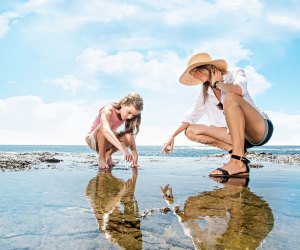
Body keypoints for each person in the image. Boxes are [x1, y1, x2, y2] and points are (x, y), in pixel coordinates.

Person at [161, 52, 273, 177]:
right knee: (190, 131)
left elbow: (239, 90)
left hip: (258, 130)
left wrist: (217, 84)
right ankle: (237, 152)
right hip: (236, 138)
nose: (194, 75)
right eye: (192, 73)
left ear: (208, 67)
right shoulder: (204, 93)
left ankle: (237, 161)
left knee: (230, 97)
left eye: (195, 70)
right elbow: (190, 116)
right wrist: (172, 136)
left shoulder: (235, 73)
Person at [86, 93, 143, 169]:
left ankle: (108, 154)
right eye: (129, 112)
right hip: (93, 140)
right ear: (123, 103)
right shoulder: (108, 109)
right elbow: (105, 129)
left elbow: (131, 139)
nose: (130, 117)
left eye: (133, 115)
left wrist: (135, 158)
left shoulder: (126, 117)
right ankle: (102, 158)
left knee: (129, 136)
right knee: (103, 126)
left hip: (108, 140)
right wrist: (123, 150)